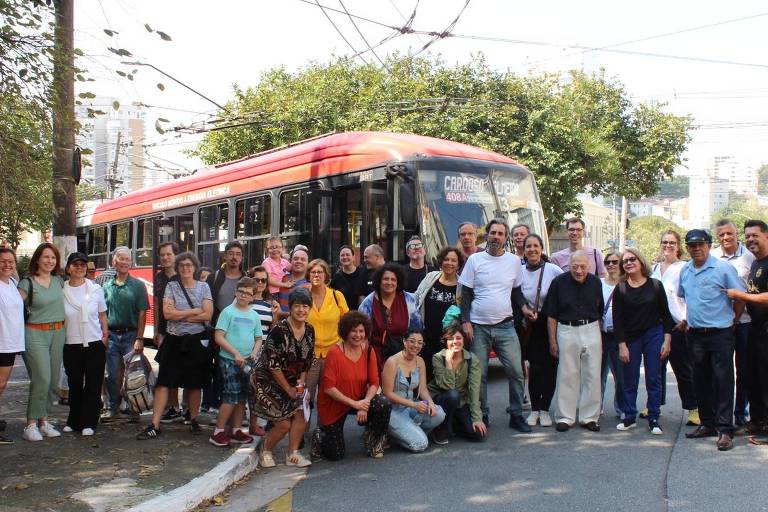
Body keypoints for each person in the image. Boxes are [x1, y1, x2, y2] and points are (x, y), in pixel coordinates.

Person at [458, 218, 529, 432]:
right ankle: (483, 415)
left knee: (516, 372)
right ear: (486, 235)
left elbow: (516, 291)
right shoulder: (475, 260)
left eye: (500, 233)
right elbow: (466, 294)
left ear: (506, 238)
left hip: (506, 326)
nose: (496, 236)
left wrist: (524, 308)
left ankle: (516, 414)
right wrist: (466, 321)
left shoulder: (514, 261)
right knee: (479, 375)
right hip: (479, 327)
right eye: (493, 232)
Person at [680, 229, 745, 452]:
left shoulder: (723, 268)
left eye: (701, 244)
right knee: (700, 380)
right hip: (695, 334)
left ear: (708, 245)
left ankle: (725, 430)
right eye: (692, 245)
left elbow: (739, 298)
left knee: (723, 381)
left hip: (720, 333)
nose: (696, 248)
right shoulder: (686, 270)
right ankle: (707, 423)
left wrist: (734, 319)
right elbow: (683, 297)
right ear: (687, 247)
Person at [137, 252, 214, 440]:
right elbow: (167, 314)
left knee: (195, 383)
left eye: (189, 265)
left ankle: (194, 420)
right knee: (164, 382)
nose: (185, 268)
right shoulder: (171, 286)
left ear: (195, 267)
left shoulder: (204, 287)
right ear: (178, 268)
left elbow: (208, 315)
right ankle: (155, 424)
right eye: (182, 265)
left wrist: (181, 313)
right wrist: (195, 311)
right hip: (173, 339)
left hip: (196, 341)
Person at [312, 311, 391, 460]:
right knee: (335, 455)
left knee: (383, 403)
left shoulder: (368, 350)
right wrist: (356, 404)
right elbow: (328, 388)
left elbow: (374, 383)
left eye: (361, 331)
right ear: (345, 331)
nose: (358, 335)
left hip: (360, 398)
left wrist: (365, 403)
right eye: (353, 330)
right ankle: (320, 435)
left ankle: (374, 440)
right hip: (334, 403)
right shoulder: (335, 352)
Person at [251, 288, 315, 469]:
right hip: (267, 381)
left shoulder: (310, 330)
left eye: (305, 306)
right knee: (284, 424)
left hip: (294, 382)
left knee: (302, 410)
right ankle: (266, 450)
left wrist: (301, 386)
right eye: (297, 306)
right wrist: (288, 389)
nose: (301, 310)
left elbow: (307, 361)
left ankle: (292, 453)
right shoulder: (279, 330)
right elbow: (273, 365)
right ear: (290, 307)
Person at [613, 248, 675, 435]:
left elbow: (666, 315)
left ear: (641, 262)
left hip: (653, 335)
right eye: (625, 261)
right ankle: (629, 415)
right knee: (629, 378)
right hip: (630, 338)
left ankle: (654, 417)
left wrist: (667, 340)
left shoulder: (655, 285)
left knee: (653, 377)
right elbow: (618, 320)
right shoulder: (621, 288)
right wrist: (622, 345)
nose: (629, 263)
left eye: (632, 259)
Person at [543, 250, 604, 432]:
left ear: (589, 266)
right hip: (566, 329)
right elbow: (551, 315)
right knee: (567, 374)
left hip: (591, 328)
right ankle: (565, 417)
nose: (579, 270)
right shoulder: (558, 283)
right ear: (569, 266)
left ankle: (589, 417)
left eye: (583, 267)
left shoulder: (595, 282)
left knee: (592, 374)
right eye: (575, 267)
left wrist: (597, 334)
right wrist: (552, 341)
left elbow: (599, 309)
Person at [17, 243, 66, 442]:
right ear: (37, 259)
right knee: (42, 378)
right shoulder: (27, 283)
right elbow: (12, 307)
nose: (49, 261)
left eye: (53, 258)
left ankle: (44, 422)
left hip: (58, 333)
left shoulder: (59, 281)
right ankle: (30, 425)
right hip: (34, 334)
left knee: (53, 380)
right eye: (46, 257)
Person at [650, 231, 698, 426]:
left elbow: (691, 295)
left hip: (679, 324)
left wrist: (686, 318)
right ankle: (654, 405)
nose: (667, 246)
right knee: (656, 369)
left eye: (672, 242)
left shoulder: (685, 268)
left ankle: (693, 408)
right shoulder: (653, 268)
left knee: (683, 370)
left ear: (678, 246)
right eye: (664, 242)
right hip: (656, 325)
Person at [726, 220, 768, 438]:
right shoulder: (755, 263)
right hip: (755, 328)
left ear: (766, 236)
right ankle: (757, 422)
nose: (751, 239)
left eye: (755, 235)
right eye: (748, 236)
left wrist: (739, 295)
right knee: (753, 377)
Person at [209, 277, 262, 447]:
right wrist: (235, 353)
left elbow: (259, 338)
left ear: (253, 296)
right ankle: (218, 431)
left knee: (242, 397)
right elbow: (218, 336)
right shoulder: (228, 312)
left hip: (247, 361)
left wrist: (254, 352)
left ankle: (236, 429)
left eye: (248, 293)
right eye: (241, 291)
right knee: (231, 396)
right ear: (236, 292)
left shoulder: (254, 315)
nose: (243, 295)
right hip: (229, 360)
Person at [713, 219, 755, 427]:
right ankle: (722, 414)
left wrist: (736, 319)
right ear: (717, 236)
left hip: (745, 322)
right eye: (721, 235)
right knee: (720, 371)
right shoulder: (711, 257)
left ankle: (740, 412)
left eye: (729, 233)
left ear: (736, 233)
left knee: (744, 370)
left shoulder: (749, 256)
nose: (726, 238)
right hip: (719, 324)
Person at [61, 252, 108, 437]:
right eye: (75, 264)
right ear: (68, 268)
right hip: (71, 342)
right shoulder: (62, 291)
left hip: (95, 342)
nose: (79, 268)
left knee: (93, 383)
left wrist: (104, 336)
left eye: (82, 264)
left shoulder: (96, 289)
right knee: (74, 383)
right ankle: (74, 420)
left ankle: (90, 421)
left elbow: (102, 315)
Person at [519, 234, 563, 427]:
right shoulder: (518, 270)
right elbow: (514, 293)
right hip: (529, 325)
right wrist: (525, 310)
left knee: (550, 368)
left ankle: (545, 409)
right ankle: (535, 409)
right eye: (528, 246)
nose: (532, 250)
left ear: (542, 248)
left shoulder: (553, 270)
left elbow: (566, 290)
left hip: (551, 323)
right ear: (524, 249)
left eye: (536, 246)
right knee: (534, 369)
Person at [102, 246, 149, 422]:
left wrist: (140, 338)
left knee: (134, 375)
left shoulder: (138, 286)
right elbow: (102, 314)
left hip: (131, 335)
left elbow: (142, 313)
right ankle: (113, 407)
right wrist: (105, 335)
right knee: (112, 374)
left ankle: (133, 408)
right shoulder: (106, 286)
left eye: (127, 259)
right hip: (112, 336)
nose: (124, 262)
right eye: (120, 258)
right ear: (114, 261)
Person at [382, 329, 445, 452]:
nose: (416, 345)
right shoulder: (392, 361)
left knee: (439, 414)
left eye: (420, 343)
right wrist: (414, 404)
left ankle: (409, 432)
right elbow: (387, 394)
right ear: (404, 342)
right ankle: (398, 434)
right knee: (420, 444)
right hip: (394, 411)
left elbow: (423, 389)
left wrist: (431, 403)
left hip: (411, 408)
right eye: (412, 341)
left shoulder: (420, 361)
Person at [204, 241, 246, 414]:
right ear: (225, 256)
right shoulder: (213, 277)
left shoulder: (246, 279)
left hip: (239, 334)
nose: (234, 257)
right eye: (231, 253)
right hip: (217, 332)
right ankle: (213, 405)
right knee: (216, 371)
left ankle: (236, 411)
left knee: (237, 373)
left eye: (238, 254)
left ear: (242, 258)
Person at [359, 263, 423, 373]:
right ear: (379, 281)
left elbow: (417, 329)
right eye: (385, 279)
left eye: (393, 279)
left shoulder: (409, 300)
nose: (389, 282)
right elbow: (361, 335)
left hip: (403, 356)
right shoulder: (368, 303)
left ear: (398, 282)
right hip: (375, 358)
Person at [428, 325, 486, 443]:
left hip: (460, 401)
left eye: (458, 338)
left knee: (478, 434)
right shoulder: (438, 357)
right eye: (451, 339)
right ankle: (441, 428)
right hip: (440, 399)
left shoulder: (472, 359)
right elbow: (447, 386)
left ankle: (454, 425)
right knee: (453, 394)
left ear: (464, 341)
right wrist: (448, 363)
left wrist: (477, 418)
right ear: (446, 342)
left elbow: (474, 390)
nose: (455, 341)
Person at [305, 259, 349, 413]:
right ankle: (302, 433)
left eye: (320, 272)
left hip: (333, 354)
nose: (316, 275)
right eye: (313, 272)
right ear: (308, 275)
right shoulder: (303, 296)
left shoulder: (337, 296)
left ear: (326, 275)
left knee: (329, 398)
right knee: (305, 397)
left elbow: (347, 324)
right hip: (309, 356)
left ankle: (324, 432)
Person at [414, 247, 464, 379]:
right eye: (446, 259)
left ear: (458, 264)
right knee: (427, 375)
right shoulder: (431, 277)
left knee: (447, 376)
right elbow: (417, 298)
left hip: (448, 340)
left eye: (454, 260)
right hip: (427, 337)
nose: (449, 263)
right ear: (441, 261)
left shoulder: (462, 286)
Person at [246, 265, 280, 437]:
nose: (260, 283)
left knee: (257, 390)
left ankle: (254, 424)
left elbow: (274, 330)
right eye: (256, 279)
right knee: (240, 390)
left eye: (263, 280)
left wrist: (275, 315)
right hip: (244, 350)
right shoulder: (244, 300)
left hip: (262, 352)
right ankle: (235, 425)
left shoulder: (271, 303)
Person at [154, 242, 184, 424]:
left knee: (184, 370)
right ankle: (173, 406)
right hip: (165, 330)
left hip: (182, 330)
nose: (165, 258)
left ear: (175, 256)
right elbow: (157, 305)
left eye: (169, 254)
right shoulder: (158, 277)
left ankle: (185, 407)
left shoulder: (183, 276)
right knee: (167, 369)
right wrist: (158, 330)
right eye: (162, 255)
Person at [0, 247, 24, 444]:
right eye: (2, 261)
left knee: (1, 386)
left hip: (10, 343)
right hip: (1, 343)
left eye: (10, 261)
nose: (7, 265)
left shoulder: (12, 283)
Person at [600, 251, 626, 420]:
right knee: (597, 375)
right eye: (607, 262)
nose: (611, 265)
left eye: (615, 262)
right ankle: (596, 407)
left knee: (621, 376)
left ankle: (622, 408)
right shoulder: (598, 283)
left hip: (620, 337)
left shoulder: (627, 284)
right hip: (601, 335)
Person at [277, 245, 310, 312]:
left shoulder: (311, 284)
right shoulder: (282, 278)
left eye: (303, 259)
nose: (299, 261)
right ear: (290, 261)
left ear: (308, 263)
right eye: (295, 259)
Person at [330, 245, 361, 310]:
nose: (345, 257)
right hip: (343, 316)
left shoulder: (362, 274)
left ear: (353, 257)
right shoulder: (336, 278)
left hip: (359, 315)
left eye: (347, 255)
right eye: (342, 255)